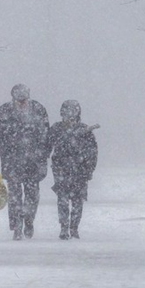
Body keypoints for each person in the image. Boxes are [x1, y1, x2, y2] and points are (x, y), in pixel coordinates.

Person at [0, 84, 50, 240]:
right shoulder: (3, 111)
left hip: (33, 162)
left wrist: (43, 154)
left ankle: (29, 220)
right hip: (12, 160)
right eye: (19, 100)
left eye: (24, 100)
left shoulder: (39, 109)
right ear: (13, 98)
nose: (22, 103)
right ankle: (16, 225)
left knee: (32, 195)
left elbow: (46, 135)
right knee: (14, 195)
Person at [48, 100, 98, 240]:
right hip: (61, 170)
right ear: (62, 113)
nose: (70, 115)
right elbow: (46, 146)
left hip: (80, 170)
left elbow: (92, 152)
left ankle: (74, 228)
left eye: (73, 111)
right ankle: (64, 227)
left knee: (78, 200)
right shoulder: (56, 129)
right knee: (62, 199)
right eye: (67, 111)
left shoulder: (85, 130)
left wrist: (89, 169)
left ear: (78, 113)